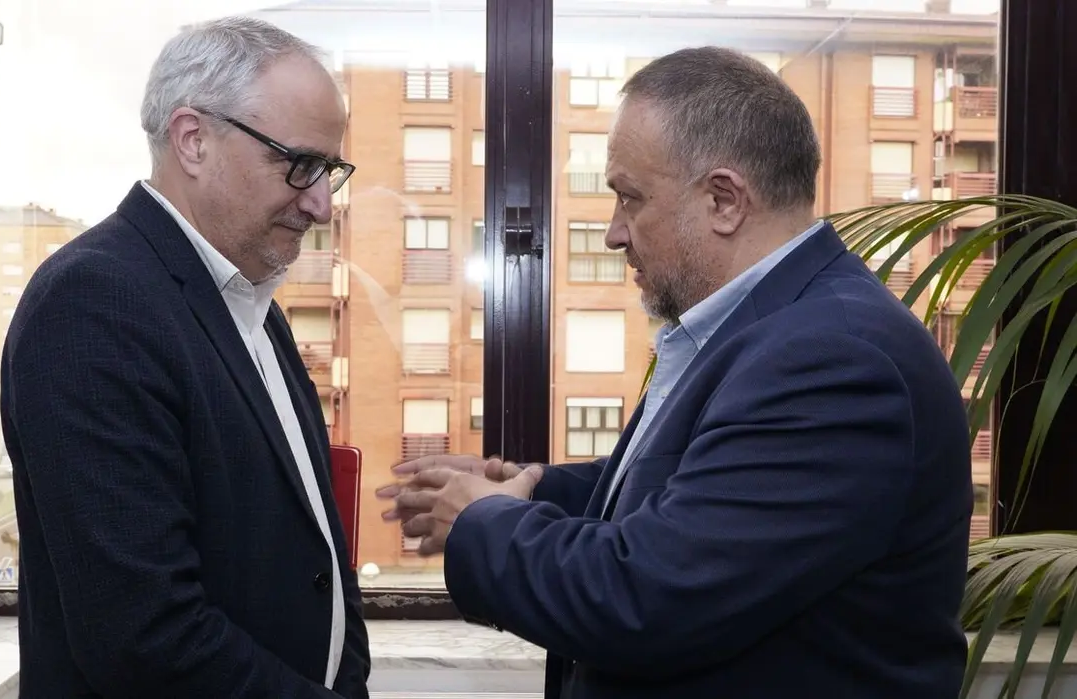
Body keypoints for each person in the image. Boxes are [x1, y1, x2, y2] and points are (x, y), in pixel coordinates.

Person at [378, 46, 972, 699]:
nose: (612, 233)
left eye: (629, 199)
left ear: (724, 199)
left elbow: (648, 601)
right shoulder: (769, 328)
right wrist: (533, 486)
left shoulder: (834, 360)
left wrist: (485, 521)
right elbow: (688, 494)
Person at [0, 17, 369, 698]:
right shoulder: (92, 305)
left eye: (331, 171)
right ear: (193, 140)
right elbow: (145, 638)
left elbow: (315, 557)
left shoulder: (253, 303)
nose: (321, 203)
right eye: (300, 164)